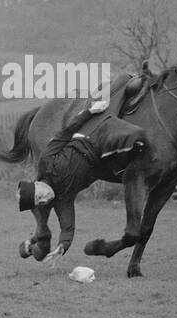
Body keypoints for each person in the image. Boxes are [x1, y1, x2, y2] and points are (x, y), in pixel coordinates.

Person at [17, 85, 149, 260]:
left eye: (39, 196)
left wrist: (90, 111)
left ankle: (129, 82)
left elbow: (66, 132)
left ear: (37, 184)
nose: (45, 198)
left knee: (137, 131)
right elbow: (67, 229)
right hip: (99, 158)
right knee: (135, 147)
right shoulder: (62, 200)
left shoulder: (46, 161)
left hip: (93, 137)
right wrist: (61, 247)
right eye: (41, 202)